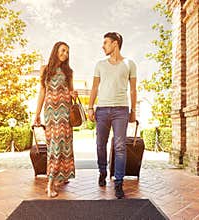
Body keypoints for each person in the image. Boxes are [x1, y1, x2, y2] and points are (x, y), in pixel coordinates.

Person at [88, 32, 137, 199]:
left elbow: (133, 90)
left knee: (120, 146)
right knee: (100, 145)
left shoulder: (129, 64)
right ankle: (102, 171)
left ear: (115, 43)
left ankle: (118, 182)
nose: (103, 46)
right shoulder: (100, 64)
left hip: (121, 110)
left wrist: (133, 111)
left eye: (106, 43)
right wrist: (90, 107)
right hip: (102, 110)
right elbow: (94, 88)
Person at [34, 41, 78, 198]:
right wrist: (36, 114)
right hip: (51, 114)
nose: (65, 54)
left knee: (64, 144)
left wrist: (73, 94)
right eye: (63, 50)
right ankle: (50, 183)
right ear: (56, 51)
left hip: (65, 113)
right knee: (54, 146)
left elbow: (71, 92)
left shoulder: (69, 72)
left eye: (67, 52)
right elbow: (42, 92)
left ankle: (61, 176)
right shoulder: (45, 69)